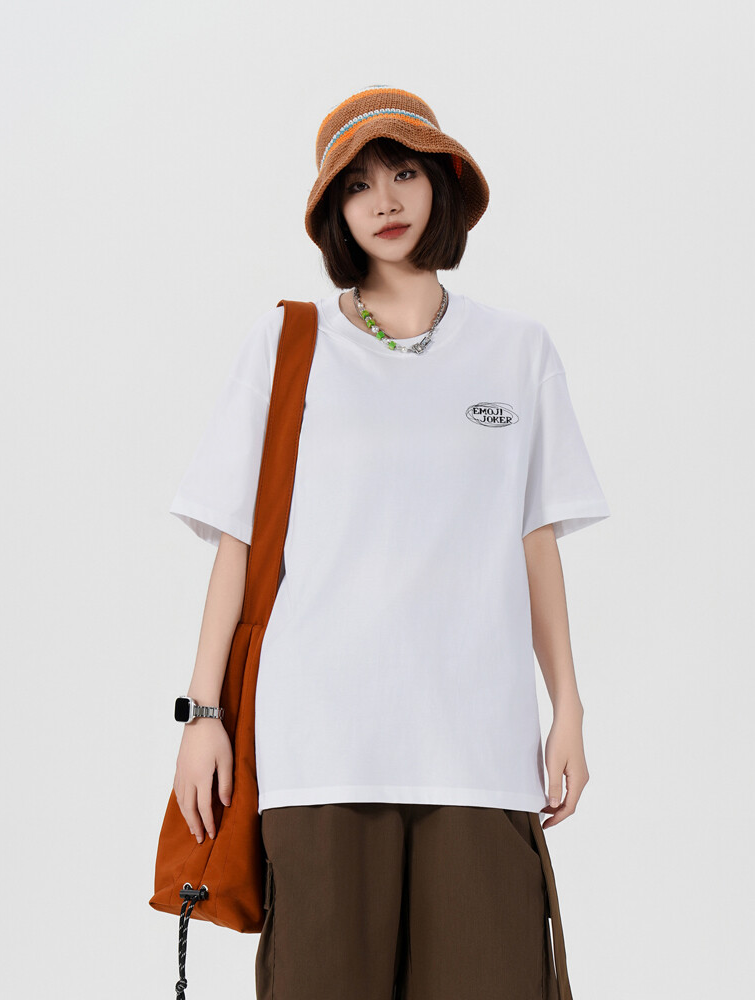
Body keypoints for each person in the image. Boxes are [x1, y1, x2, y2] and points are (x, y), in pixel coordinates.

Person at [167, 86, 611, 1000]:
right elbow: (238, 546)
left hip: (479, 746)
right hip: (321, 742)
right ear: (335, 213)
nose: (385, 200)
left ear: (441, 183)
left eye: (403, 172)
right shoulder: (287, 344)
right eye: (357, 185)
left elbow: (535, 541)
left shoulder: (517, 351)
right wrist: (204, 716)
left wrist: (567, 706)